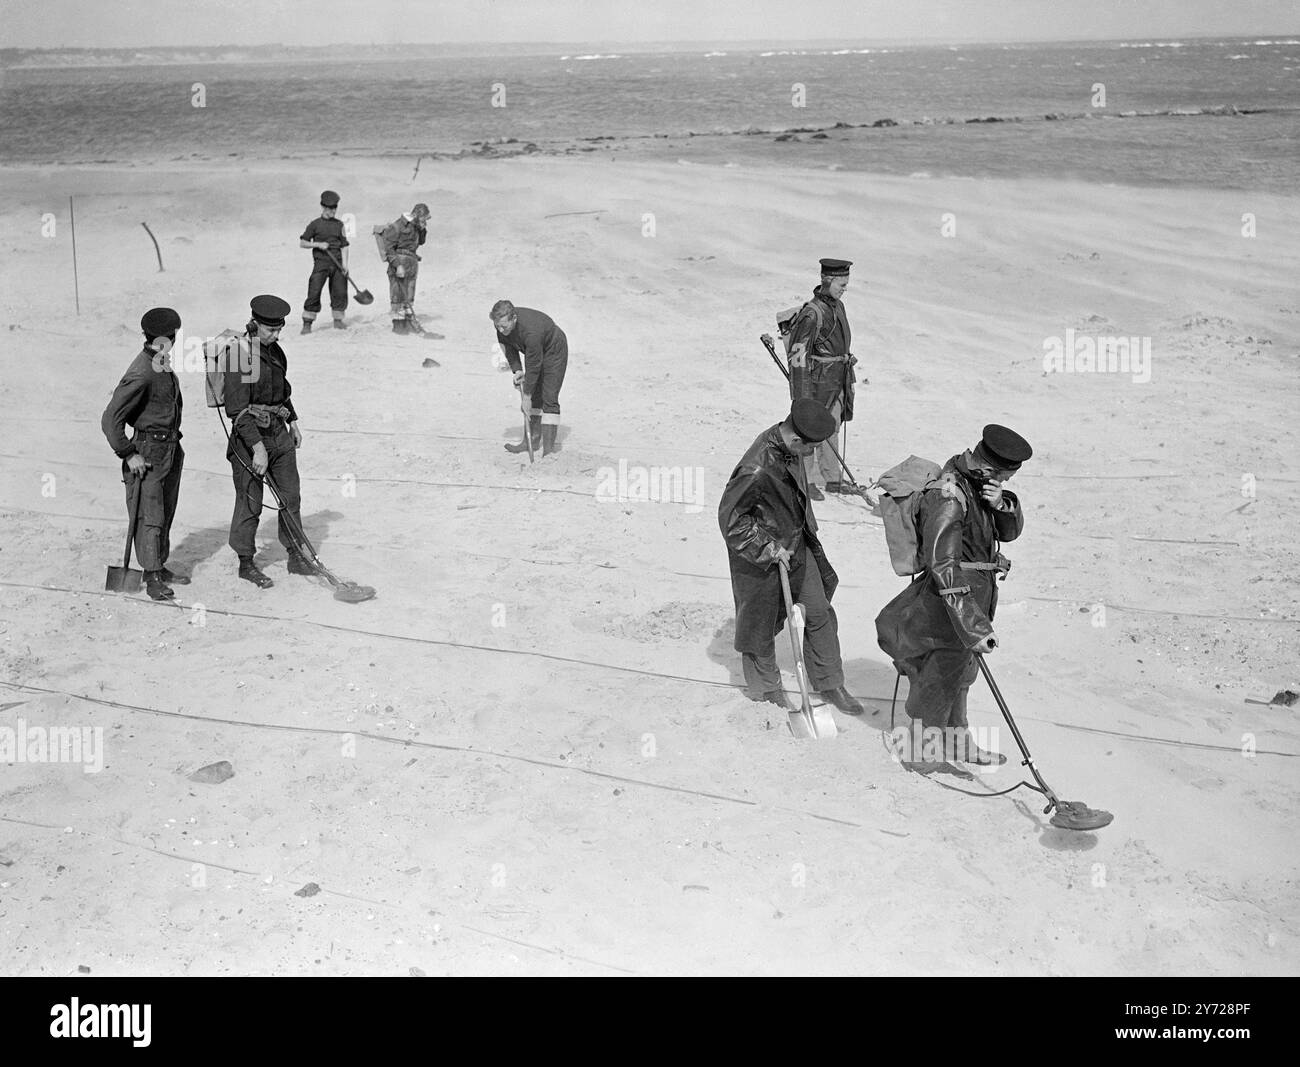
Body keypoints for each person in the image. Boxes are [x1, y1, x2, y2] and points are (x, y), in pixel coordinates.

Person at [874, 424, 1032, 765]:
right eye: (1006, 478)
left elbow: (1010, 533)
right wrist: (973, 627)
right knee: (938, 680)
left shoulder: (979, 486)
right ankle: (921, 755)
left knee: (960, 676)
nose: (1006, 484)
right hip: (949, 605)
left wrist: (1001, 502)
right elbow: (942, 564)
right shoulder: (949, 496)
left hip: (971, 601)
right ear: (991, 468)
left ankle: (959, 743)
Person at [718, 398, 865, 715]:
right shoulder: (756, 469)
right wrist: (769, 548)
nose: (811, 454)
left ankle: (829, 682)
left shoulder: (791, 446)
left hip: (798, 546)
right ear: (796, 439)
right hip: (760, 558)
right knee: (759, 626)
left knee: (819, 612)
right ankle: (767, 689)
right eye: (811, 448)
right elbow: (731, 521)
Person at [224, 294, 317, 589]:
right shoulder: (239, 355)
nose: (276, 335)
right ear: (254, 324)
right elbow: (236, 411)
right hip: (250, 439)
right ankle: (246, 562)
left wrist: (294, 421)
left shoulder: (276, 353)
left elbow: (283, 390)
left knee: (291, 496)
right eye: (270, 330)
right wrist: (257, 448)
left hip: (279, 432)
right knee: (251, 501)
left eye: (279, 330)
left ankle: (295, 556)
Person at [100, 307, 187, 601]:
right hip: (147, 452)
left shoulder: (159, 362)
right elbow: (110, 418)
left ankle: (159, 566)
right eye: (174, 337)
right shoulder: (142, 371)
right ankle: (151, 577)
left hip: (169, 449)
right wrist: (127, 453)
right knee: (150, 515)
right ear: (167, 338)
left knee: (166, 510)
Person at [787, 257, 856, 500]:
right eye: (841, 285)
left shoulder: (838, 306)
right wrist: (801, 394)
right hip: (816, 381)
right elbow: (797, 354)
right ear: (827, 281)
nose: (844, 290)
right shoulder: (812, 313)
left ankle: (832, 478)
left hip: (837, 378)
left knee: (832, 427)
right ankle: (806, 479)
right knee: (809, 429)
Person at [490, 300, 569, 457]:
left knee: (549, 396)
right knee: (535, 396)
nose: (500, 329)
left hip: (554, 349)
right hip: (536, 349)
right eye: (497, 326)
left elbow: (534, 366)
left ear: (514, 318)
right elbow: (508, 347)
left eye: (503, 326)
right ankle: (530, 441)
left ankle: (548, 452)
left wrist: (526, 397)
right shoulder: (502, 325)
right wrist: (517, 370)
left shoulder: (531, 332)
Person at [298, 189, 350, 333]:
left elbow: (345, 246)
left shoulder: (339, 225)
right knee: (314, 291)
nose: (333, 211)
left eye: (335, 208)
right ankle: (307, 323)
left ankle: (338, 320)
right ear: (323, 207)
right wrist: (318, 244)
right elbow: (303, 242)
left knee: (340, 292)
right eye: (330, 209)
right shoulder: (315, 224)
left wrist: (345, 265)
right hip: (321, 263)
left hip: (338, 264)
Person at [381, 202, 429, 334]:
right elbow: (389, 248)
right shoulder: (397, 226)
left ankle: (408, 324)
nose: (424, 221)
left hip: (412, 263)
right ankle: (398, 327)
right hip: (400, 263)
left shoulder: (416, 226)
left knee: (409, 294)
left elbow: (421, 242)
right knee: (397, 295)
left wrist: (423, 228)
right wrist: (397, 266)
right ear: (416, 215)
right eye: (423, 218)